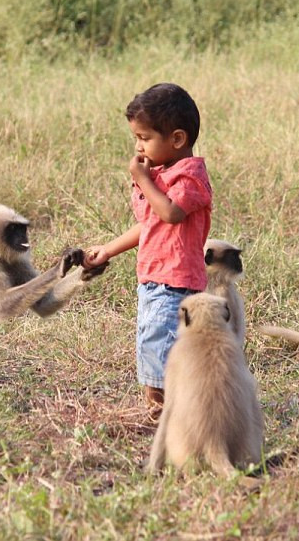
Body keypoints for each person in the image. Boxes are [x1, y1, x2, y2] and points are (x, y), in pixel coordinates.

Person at [84, 83, 213, 422]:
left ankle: (161, 417)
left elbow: (171, 213)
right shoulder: (162, 175)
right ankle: (161, 413)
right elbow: (151, 225)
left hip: (176, 285)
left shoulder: (190, 176)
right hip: (155, 282)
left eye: (143, 138)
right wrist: (108, 250)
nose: (138, 147)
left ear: (177, 139)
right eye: (136, 138)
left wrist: (143, 181)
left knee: (160, 351)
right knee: (152, 347)